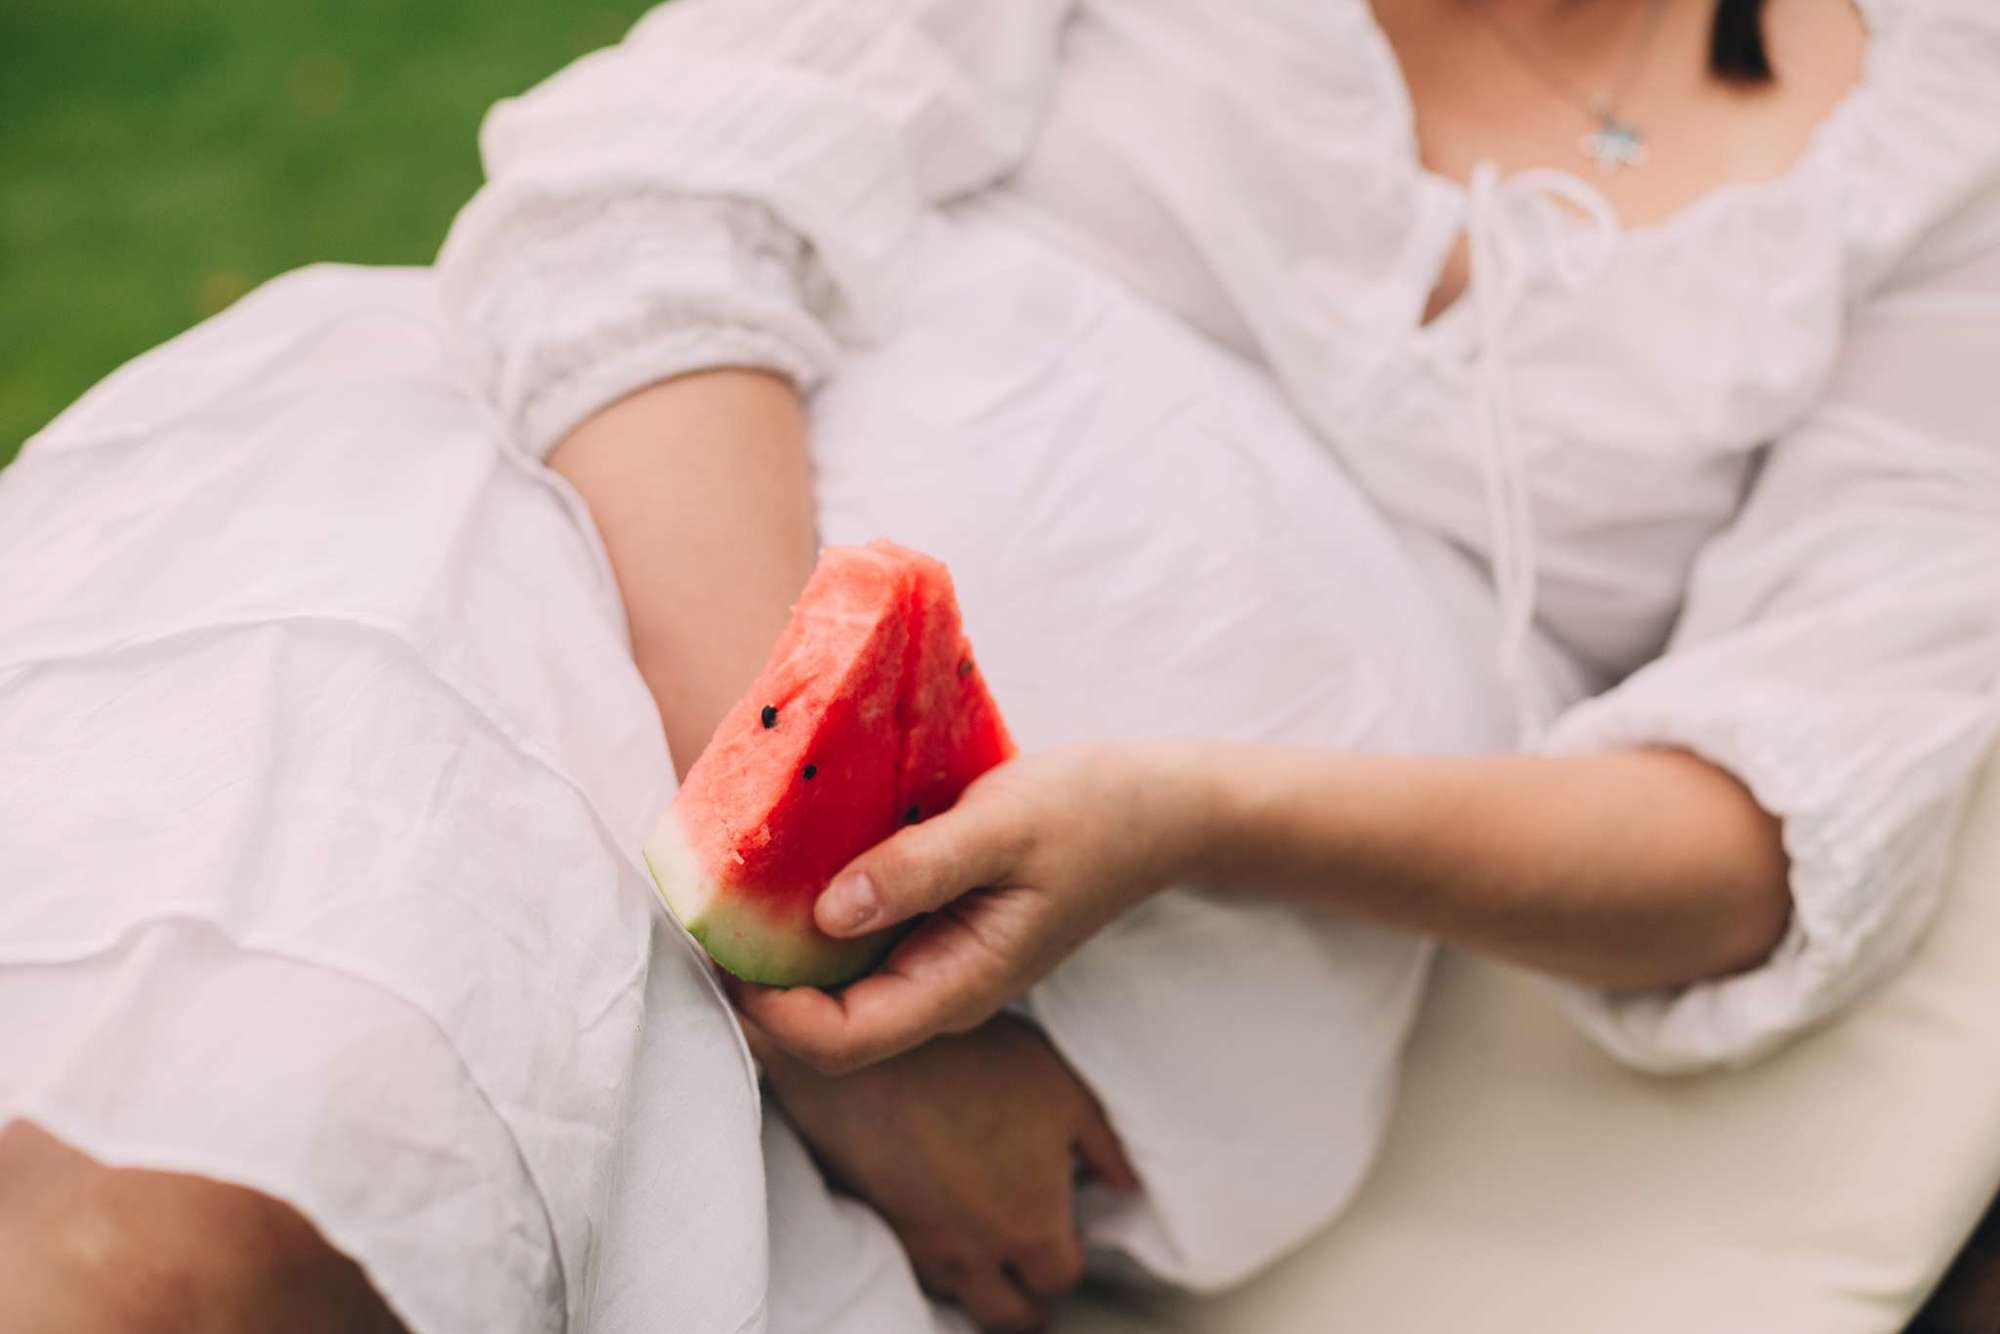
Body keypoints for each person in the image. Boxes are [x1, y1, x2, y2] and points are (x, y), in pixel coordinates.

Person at [2, 0, 1996, 1330]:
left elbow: (1767, 826)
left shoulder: (1953, 140)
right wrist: (847, 988)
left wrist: (1202, 813)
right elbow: (650, 210)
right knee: (219, 1212)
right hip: (554, 585)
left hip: (1127, 999)